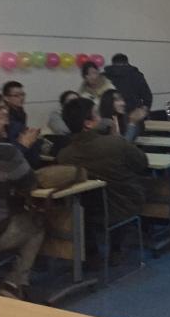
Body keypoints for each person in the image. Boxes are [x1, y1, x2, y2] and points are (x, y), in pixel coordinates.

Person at [0, 98, 44, 299]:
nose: (6, 122)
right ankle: (13, 284)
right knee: (37, 224)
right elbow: (29, 184)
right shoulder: (6, 152)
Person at [58, 98, 148, 229]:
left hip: (86, 211)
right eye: (97, 114)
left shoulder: (64, 155)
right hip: (125, 204)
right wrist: (118, 138)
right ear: (88, 123)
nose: (101, 118)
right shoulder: (114, 143)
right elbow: (142, 163)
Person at [2, 81, 42, 167]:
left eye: (22, 94)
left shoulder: (20, 112)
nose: (21, 98)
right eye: (16, 95)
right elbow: (14, 140)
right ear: (6, 98)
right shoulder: (7, 116)